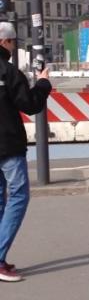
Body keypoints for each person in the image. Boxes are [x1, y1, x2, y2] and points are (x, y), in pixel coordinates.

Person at [0, 22, 51, 282]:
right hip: (7, 146)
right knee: (18, 195)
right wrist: (42, 84)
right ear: (5, 43)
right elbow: (30, 105)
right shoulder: (9, 72)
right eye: (12, 42)